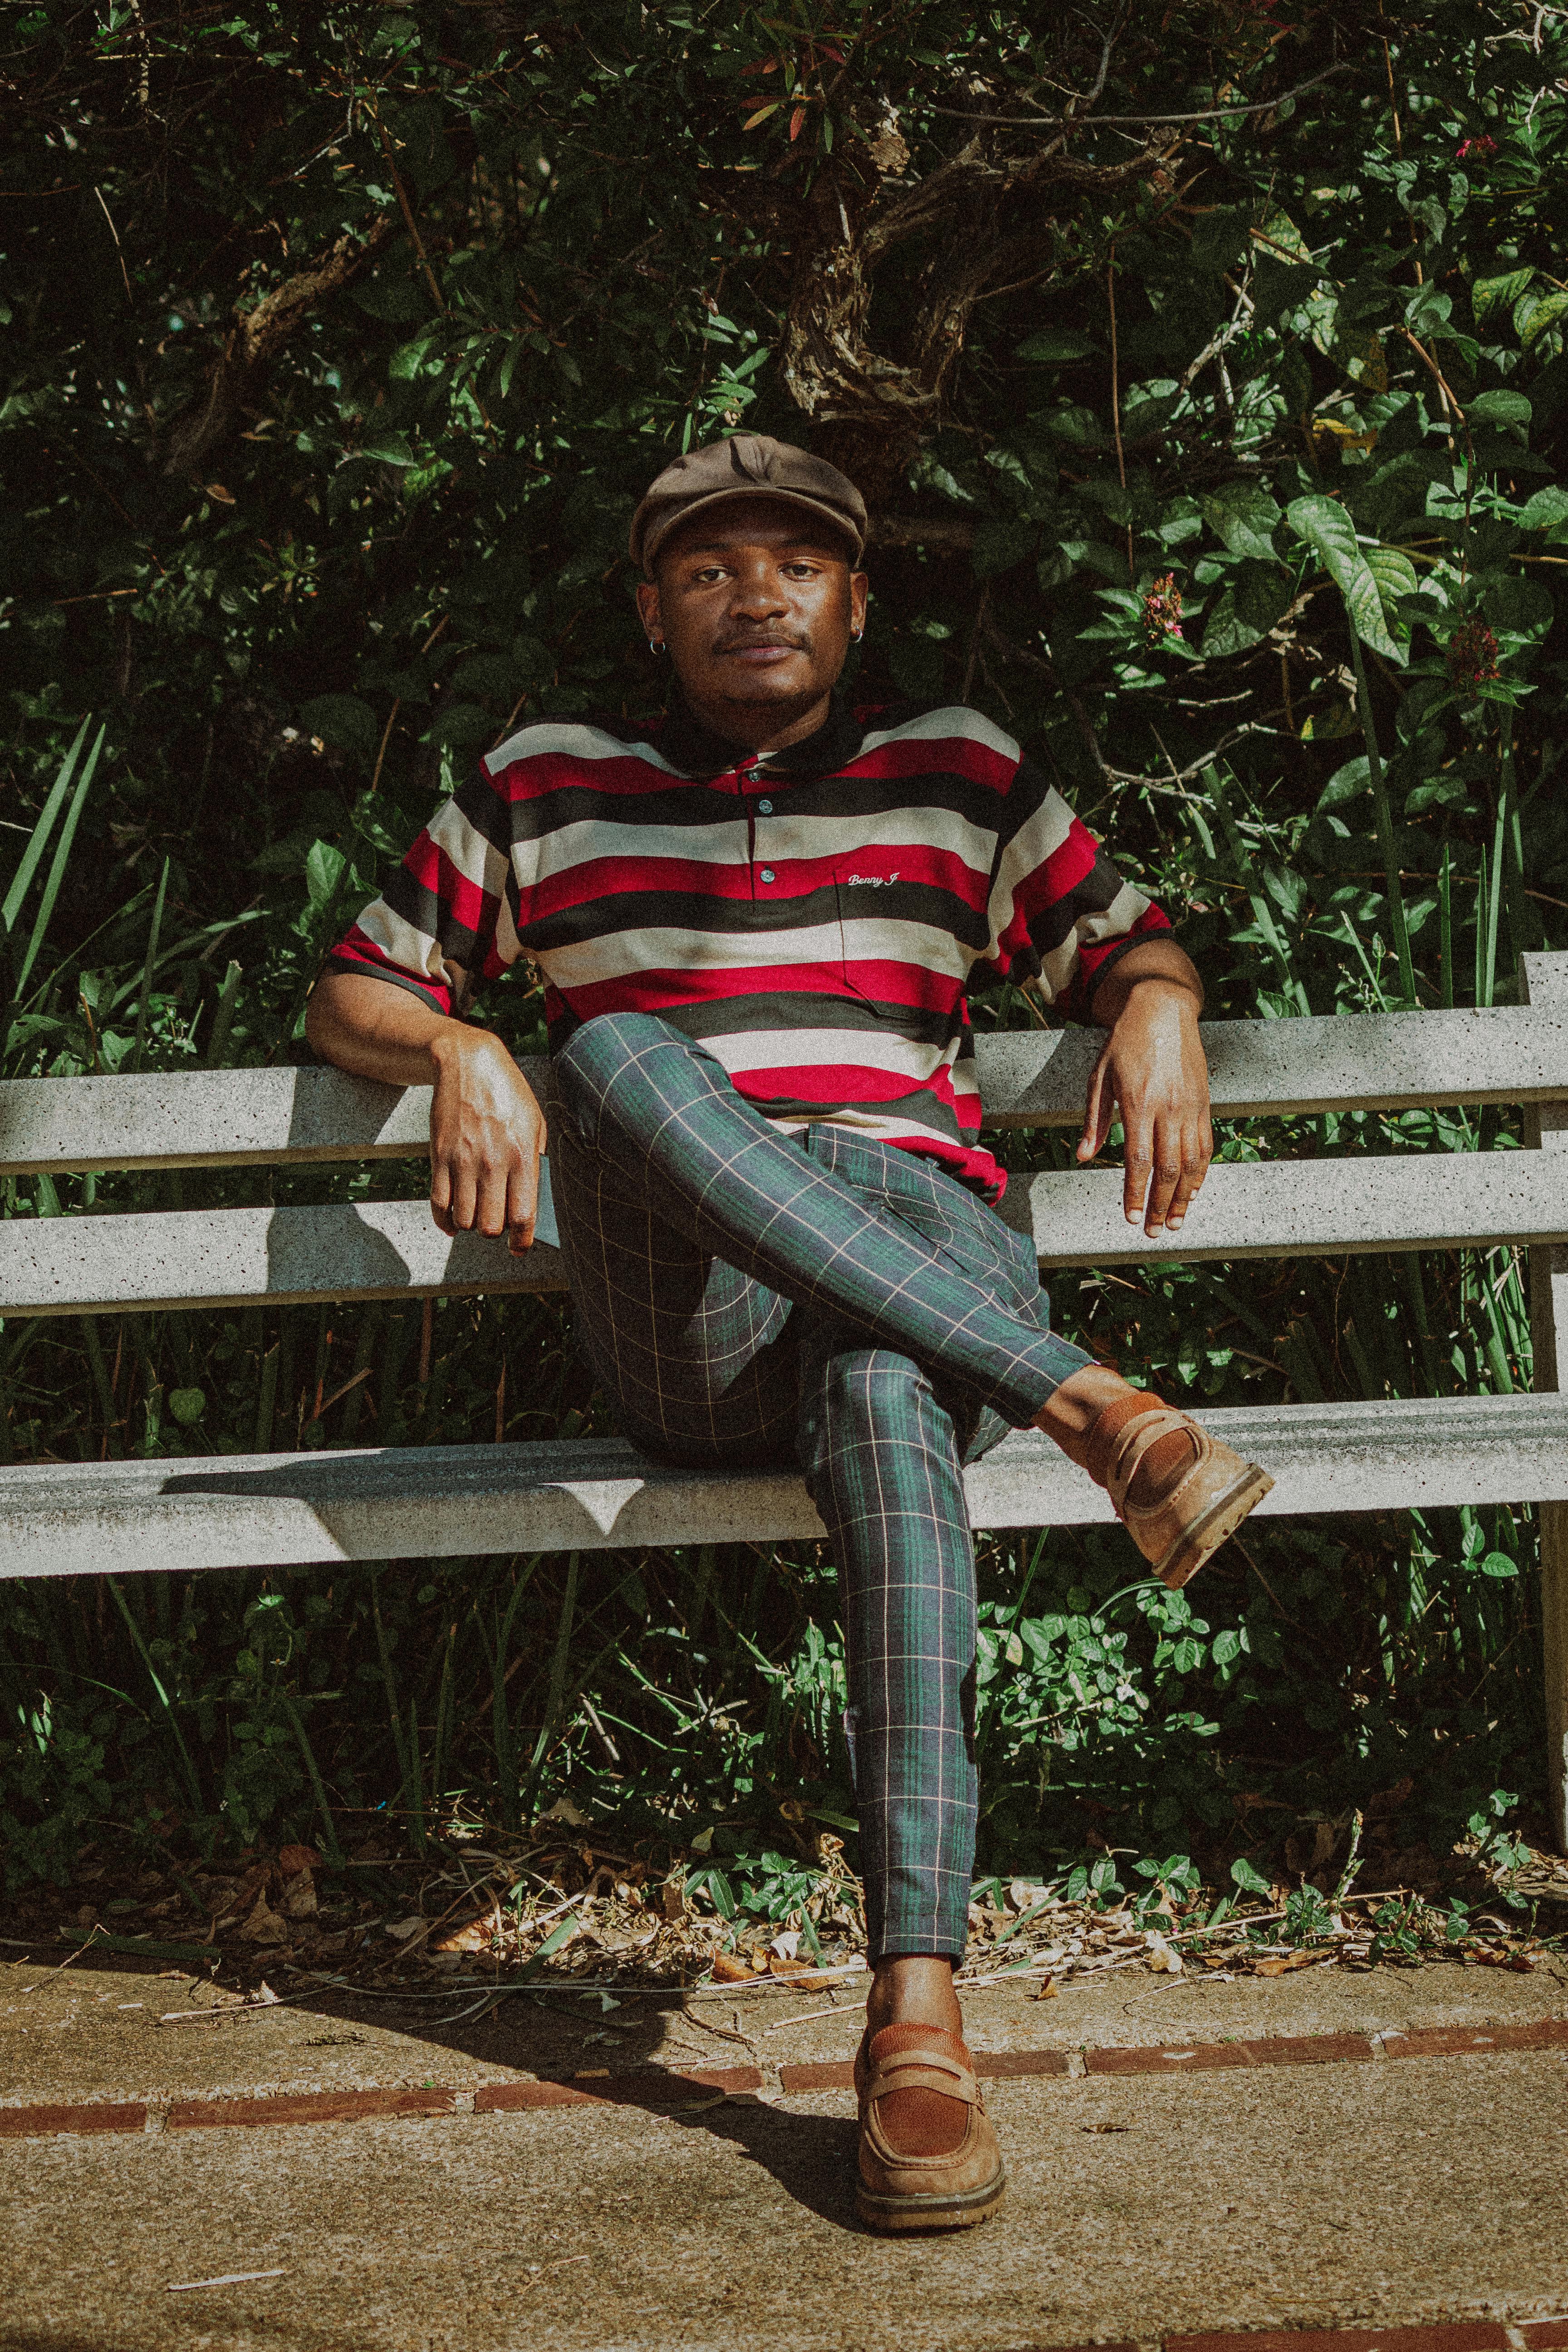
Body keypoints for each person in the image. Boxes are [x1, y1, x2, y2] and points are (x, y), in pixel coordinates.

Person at [306, 432, 1272, 2234]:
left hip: (911, 1259)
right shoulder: (544, 782)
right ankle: (1093, 1403)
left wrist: (1161, 1008)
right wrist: (453, 1045)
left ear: (855, 596)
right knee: (614, 1046)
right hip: (691, 1321)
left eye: (799, 562)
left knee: (898, 1393)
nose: (758, 592)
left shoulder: (963, 774)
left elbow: (1129, 941)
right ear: (654, 609)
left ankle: (918, 2017)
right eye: (711, 568)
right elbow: (358, 978)